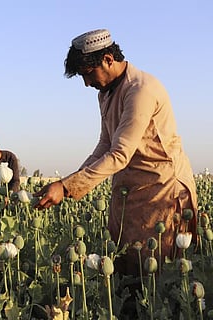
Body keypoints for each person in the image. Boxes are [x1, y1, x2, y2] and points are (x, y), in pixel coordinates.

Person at [34, 29, 197, 277]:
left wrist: (66, 187)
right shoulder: (106, 92)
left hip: (161, 189)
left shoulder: (140, 90)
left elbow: (119, 154)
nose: (86, 83)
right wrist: (66, 182)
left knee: (158, 271)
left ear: (108, 59)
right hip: (129, 189)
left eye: (88, 74)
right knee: (125, 262)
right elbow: (105, 144)